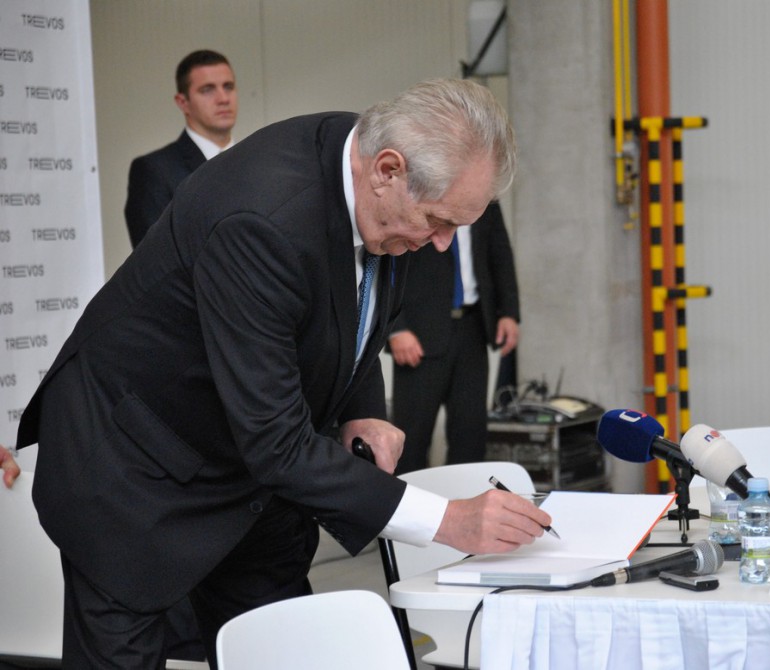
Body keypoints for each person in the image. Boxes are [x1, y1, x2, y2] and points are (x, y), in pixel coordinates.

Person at [11, 78, 548, 670]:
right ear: (388, 170)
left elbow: (351, 306)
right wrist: (447, 520)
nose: (443, 245)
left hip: (249, 483)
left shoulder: (363, 163)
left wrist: (362, 409)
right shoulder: (262, 219)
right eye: (438, 220)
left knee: (283, 649)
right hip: (132, 475)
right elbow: (276, 442)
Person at [390, 200, 519, 474]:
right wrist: (395, 328)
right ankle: (406, 500)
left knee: (470, 434)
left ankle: (467, 500)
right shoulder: (419, 190)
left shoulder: (482, 194)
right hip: (419, 333)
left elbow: (500, 251)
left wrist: (509, 312)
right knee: (410, 439)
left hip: (474, 326)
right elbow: (387, 260)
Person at [124, 49, 239, 248]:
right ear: (183, 102)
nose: (223, 98)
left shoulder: (258, 163)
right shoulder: (155, 171)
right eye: (207, 90)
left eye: (228, 87)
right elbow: (155, 256)